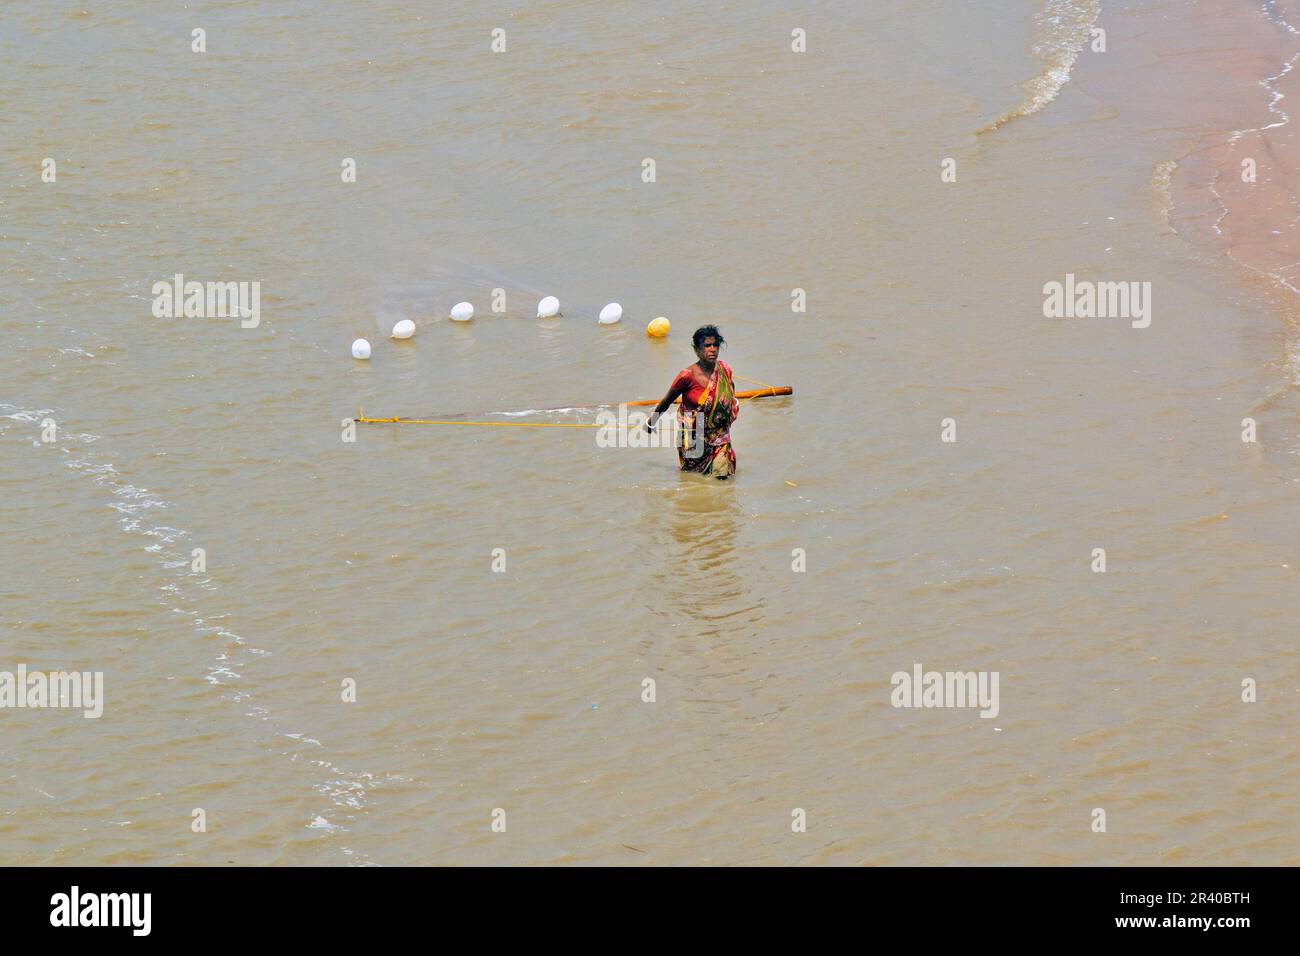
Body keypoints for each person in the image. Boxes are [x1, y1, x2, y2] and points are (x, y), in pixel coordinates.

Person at [647, 325, 739, 479]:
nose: (713, 349)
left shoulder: (724, 370)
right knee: (691, 478)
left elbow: (730, 395)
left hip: (719, 435)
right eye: (707, 345)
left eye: (715, 345)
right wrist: (651, 423)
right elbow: (667, 401)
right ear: (697, 350)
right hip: (694, 435)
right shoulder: (686, 376)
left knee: (721, 477)